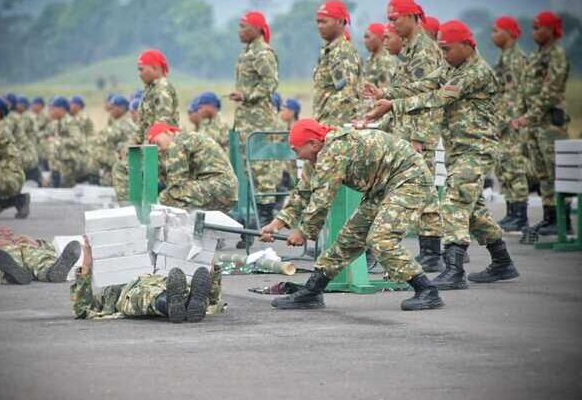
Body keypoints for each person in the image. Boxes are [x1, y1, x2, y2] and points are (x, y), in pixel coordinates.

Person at [366, 20, 520, 289]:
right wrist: (386, 93)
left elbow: (438, 97)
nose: (444, 55)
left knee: (454, 203)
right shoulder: (452, 66)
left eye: (448, 49)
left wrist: (393, 106)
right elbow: (425, 85)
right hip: (458, 148)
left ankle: (454, 270)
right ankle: (502, 261)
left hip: (476, 148)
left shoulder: (476, 73)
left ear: (467, 45)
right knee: (473, 211)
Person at [260, 119, 444, 311]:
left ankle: (426, 290)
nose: (296, 155)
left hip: (409, 179)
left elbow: (322, 199)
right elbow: (303, 193)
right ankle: (312, 292)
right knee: (349, 239)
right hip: (383, 187)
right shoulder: (316, 158)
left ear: (313, 143)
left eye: (296, 150)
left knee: (381, 240)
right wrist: (276, 224)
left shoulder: (335, 150)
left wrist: (303, 232)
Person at [364, 0, 446, 273]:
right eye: (389, 18)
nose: (392, 24)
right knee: (414, 189)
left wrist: (419, 139)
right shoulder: (411, 49)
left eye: (396, 18)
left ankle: (432, 251)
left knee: (423, 190)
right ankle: (428, 251)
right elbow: (405, 91)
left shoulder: (423, 50)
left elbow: (426, 98)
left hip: (416, 133)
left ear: (412, 17)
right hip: (404, 129)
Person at [512, 11, 571, 238]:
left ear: (552, 30)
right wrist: (522, 116)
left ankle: (563, 219)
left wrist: (530, 116)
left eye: (539, 28)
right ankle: (550, 218)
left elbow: (551, 91)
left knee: (557, 172)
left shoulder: (556, 54)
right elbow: (526, 89)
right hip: (535, 125)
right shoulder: (538, 55)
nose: (535, 32)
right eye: (534, 27)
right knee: (543, 174)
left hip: (549, 124)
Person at [71, 237, 214, 323]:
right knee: (145, 296)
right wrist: (87, 261)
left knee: (179, 287)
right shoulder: (108, 291)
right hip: (131, 295)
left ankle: (188, 303)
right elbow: (82, 309)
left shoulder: (154, 262)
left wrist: (208, 258)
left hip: (161, 282)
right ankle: (178, 304)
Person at [230, 10, 281, 229]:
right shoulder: (248, 52)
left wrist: (247, 95)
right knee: (249, 167)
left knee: (261, 166)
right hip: (247, 119)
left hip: (259, 120)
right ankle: (255, 214)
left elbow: (270, 83)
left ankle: (266, 214)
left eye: (244, 27)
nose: (240, 31)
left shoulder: (262, 53)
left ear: (258, 29)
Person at [490, 16, 529, 232]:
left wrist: (511, 120)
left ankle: (520, 216)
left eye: (497, 31)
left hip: (513, 122)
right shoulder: (505, 57)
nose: (493, 35)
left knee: (515, 168)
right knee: (504, 168)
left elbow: (516, 94)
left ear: (509, 33)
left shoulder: (516, 59)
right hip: (503, 122)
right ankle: (512, 212)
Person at [147, 122, 237, 214]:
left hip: (217, 187)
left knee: (168, 196)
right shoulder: (187, 138)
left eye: (157, 143)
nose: (158, 149)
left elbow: (176, 182)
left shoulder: (176, 143)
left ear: (168, 133)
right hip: (225, 190)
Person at [0, 227, 81, 285]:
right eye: (0, 234)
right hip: (5, 256)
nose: (6, 234)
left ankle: (52, 273)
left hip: (30, 253)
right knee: (2, 262)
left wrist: (35, 243)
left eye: (10, 233)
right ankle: (14, 276)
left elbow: (51, 249)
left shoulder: (25, 242)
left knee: (41, 258)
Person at [313, 1, 362, 125]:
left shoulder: (342, 51)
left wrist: (327, 123)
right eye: (318, 22)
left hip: (337, 125)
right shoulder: (330, 51)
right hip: (325, 122)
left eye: (324, 22)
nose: (320, 26)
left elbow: (347, 93)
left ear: (340, 22)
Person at [134, 49, 179, 144]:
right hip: (150, 145)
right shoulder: (151, 88)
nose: (139, 74)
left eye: (141, 69)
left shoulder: (162, 88)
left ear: (155, 68)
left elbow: (162, 123)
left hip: (160, 147)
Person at [95, 95, 136, 186]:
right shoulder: (120, 121)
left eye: (113, 108)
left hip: (125, 160)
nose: (110, 111)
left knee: (97, 151)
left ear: (121, 108)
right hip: (122, 159)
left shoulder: (124, 122)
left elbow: (104, 137)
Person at [46, 96, 86, 187]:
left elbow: (77, 140)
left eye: (53, 108)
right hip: (61, 161)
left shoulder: (70, 122)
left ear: (61, 109)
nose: (51, 111)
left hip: (69, 162)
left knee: (65, 188)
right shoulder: (58, 122)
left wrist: (57, 140)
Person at [363, 23, 398, 89]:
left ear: (380, 37)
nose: (365, 41)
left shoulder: (386, 61)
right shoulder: (371, 59)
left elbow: (385, 90)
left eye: (367, 37)